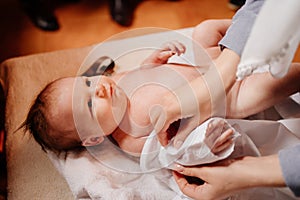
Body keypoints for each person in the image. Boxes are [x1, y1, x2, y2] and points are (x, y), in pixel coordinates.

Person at [150, 0, 300, 199]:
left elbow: (146, 72)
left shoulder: (116, 82)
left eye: (91, 84)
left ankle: (262, 34)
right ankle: (265, 36)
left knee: (205, 29)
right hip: (231, 97)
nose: (98, 89)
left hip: (205, 66)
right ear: (94, 139)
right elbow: (169, 149)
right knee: (281, 81)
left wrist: (153, 62)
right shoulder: (124, 138)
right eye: (92, 106)